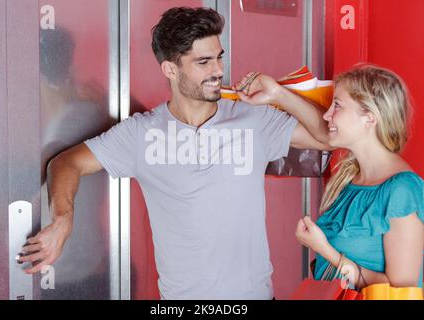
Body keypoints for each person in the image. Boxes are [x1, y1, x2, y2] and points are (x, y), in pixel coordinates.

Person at [20, 7, 331, 299]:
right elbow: (66, 163)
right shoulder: (142, 134)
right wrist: (63, 220)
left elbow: (326, 138)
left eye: (218, 58)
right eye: (203, 62)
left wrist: (279, 94)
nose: (218, 70)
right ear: (170, 69)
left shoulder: (253, 119)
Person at [294, 64, 424, 291]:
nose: (327, 115)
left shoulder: (402, 190)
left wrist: (326, 251)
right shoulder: (348, 181)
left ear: (370, 118)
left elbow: (402, 291)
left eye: (337, 105)